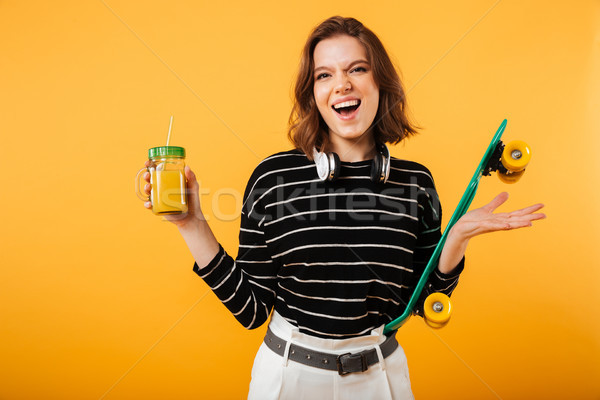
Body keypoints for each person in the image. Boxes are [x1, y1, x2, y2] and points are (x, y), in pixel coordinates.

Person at [141, 16, 545, 400]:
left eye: (357, 70)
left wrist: (455, 240)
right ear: (312, 93)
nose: (341, 86)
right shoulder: (271, 177)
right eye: (324, 75)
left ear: (380, 83)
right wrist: (191, 224)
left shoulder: (416, 184)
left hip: (381, 379)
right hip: (287, 378)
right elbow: (250, 310)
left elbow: (424, 300)